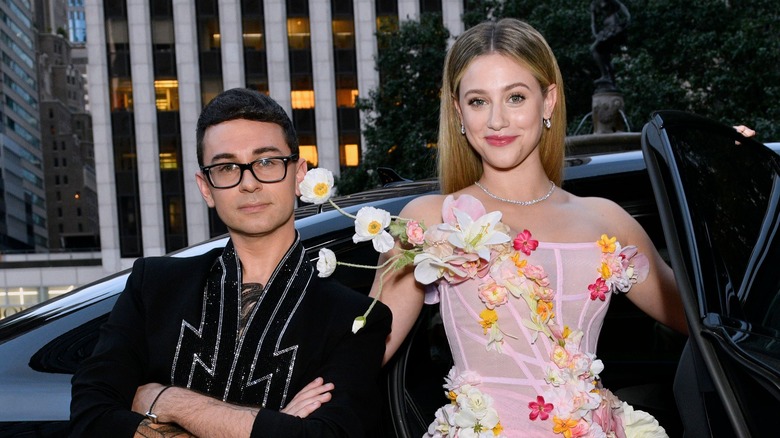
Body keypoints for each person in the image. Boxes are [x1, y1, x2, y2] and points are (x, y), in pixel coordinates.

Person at [372, 18, 688, 437]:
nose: (497, 120)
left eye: (516, 97)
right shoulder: (429, 220)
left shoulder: (607, 221)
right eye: (479, 101)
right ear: (458, 111)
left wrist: (721, 188)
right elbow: (365, 347)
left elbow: (705, 321)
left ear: (548, 101)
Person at [70, 88, 392, 437]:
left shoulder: (354, 317)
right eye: (226, 168)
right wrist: (273, 425)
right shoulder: (155, 286)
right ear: (206, 187)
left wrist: (168, 399)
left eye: (267, 162)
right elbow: (91, 417)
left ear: (299, 174)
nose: (249, 183)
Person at [590, 0, 631, 89]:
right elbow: (593, 22)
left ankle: (605, 75)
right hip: (606, 27)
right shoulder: (594, 4)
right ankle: (610, 78)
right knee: (605, 55)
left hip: (613, 25)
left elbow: (621, 5)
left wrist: (628, 16)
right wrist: (595, 34)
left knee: (594, 48)